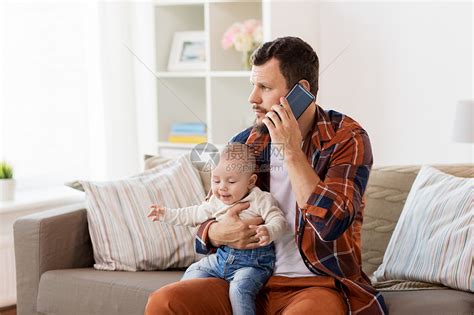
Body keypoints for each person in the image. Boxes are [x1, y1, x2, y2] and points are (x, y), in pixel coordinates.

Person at [145, 36, 388, 315]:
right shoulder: (247, 142)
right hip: (244, 275)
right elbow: (208, 215)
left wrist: (291, 152)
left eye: (265, 87)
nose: (252, 98)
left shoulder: (346, 139)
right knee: (165, 302)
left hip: (317, 284)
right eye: (253, 86)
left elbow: (331, 224)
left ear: (301, 92)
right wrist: (216, 232)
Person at [147, 143, 287, 315]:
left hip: (253, 265)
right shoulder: (216, 201)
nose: (222, 187)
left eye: (231, 181)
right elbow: (193, 214)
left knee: (239, 289)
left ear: (251, 182)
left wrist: (269, 230)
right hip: (221, 260)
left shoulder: (260, 199)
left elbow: (278, 219)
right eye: (216, 180)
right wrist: (165, 214)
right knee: (194, 270)